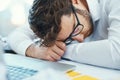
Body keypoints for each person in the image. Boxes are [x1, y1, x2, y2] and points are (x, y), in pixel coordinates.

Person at [8, 0, 120, 69]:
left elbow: (117, 53)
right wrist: (34, 50)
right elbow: (15, 35)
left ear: (74, 1)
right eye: (68, 39)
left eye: (76, 28)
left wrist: (61, 52)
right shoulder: (53, 21)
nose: (80, 39)